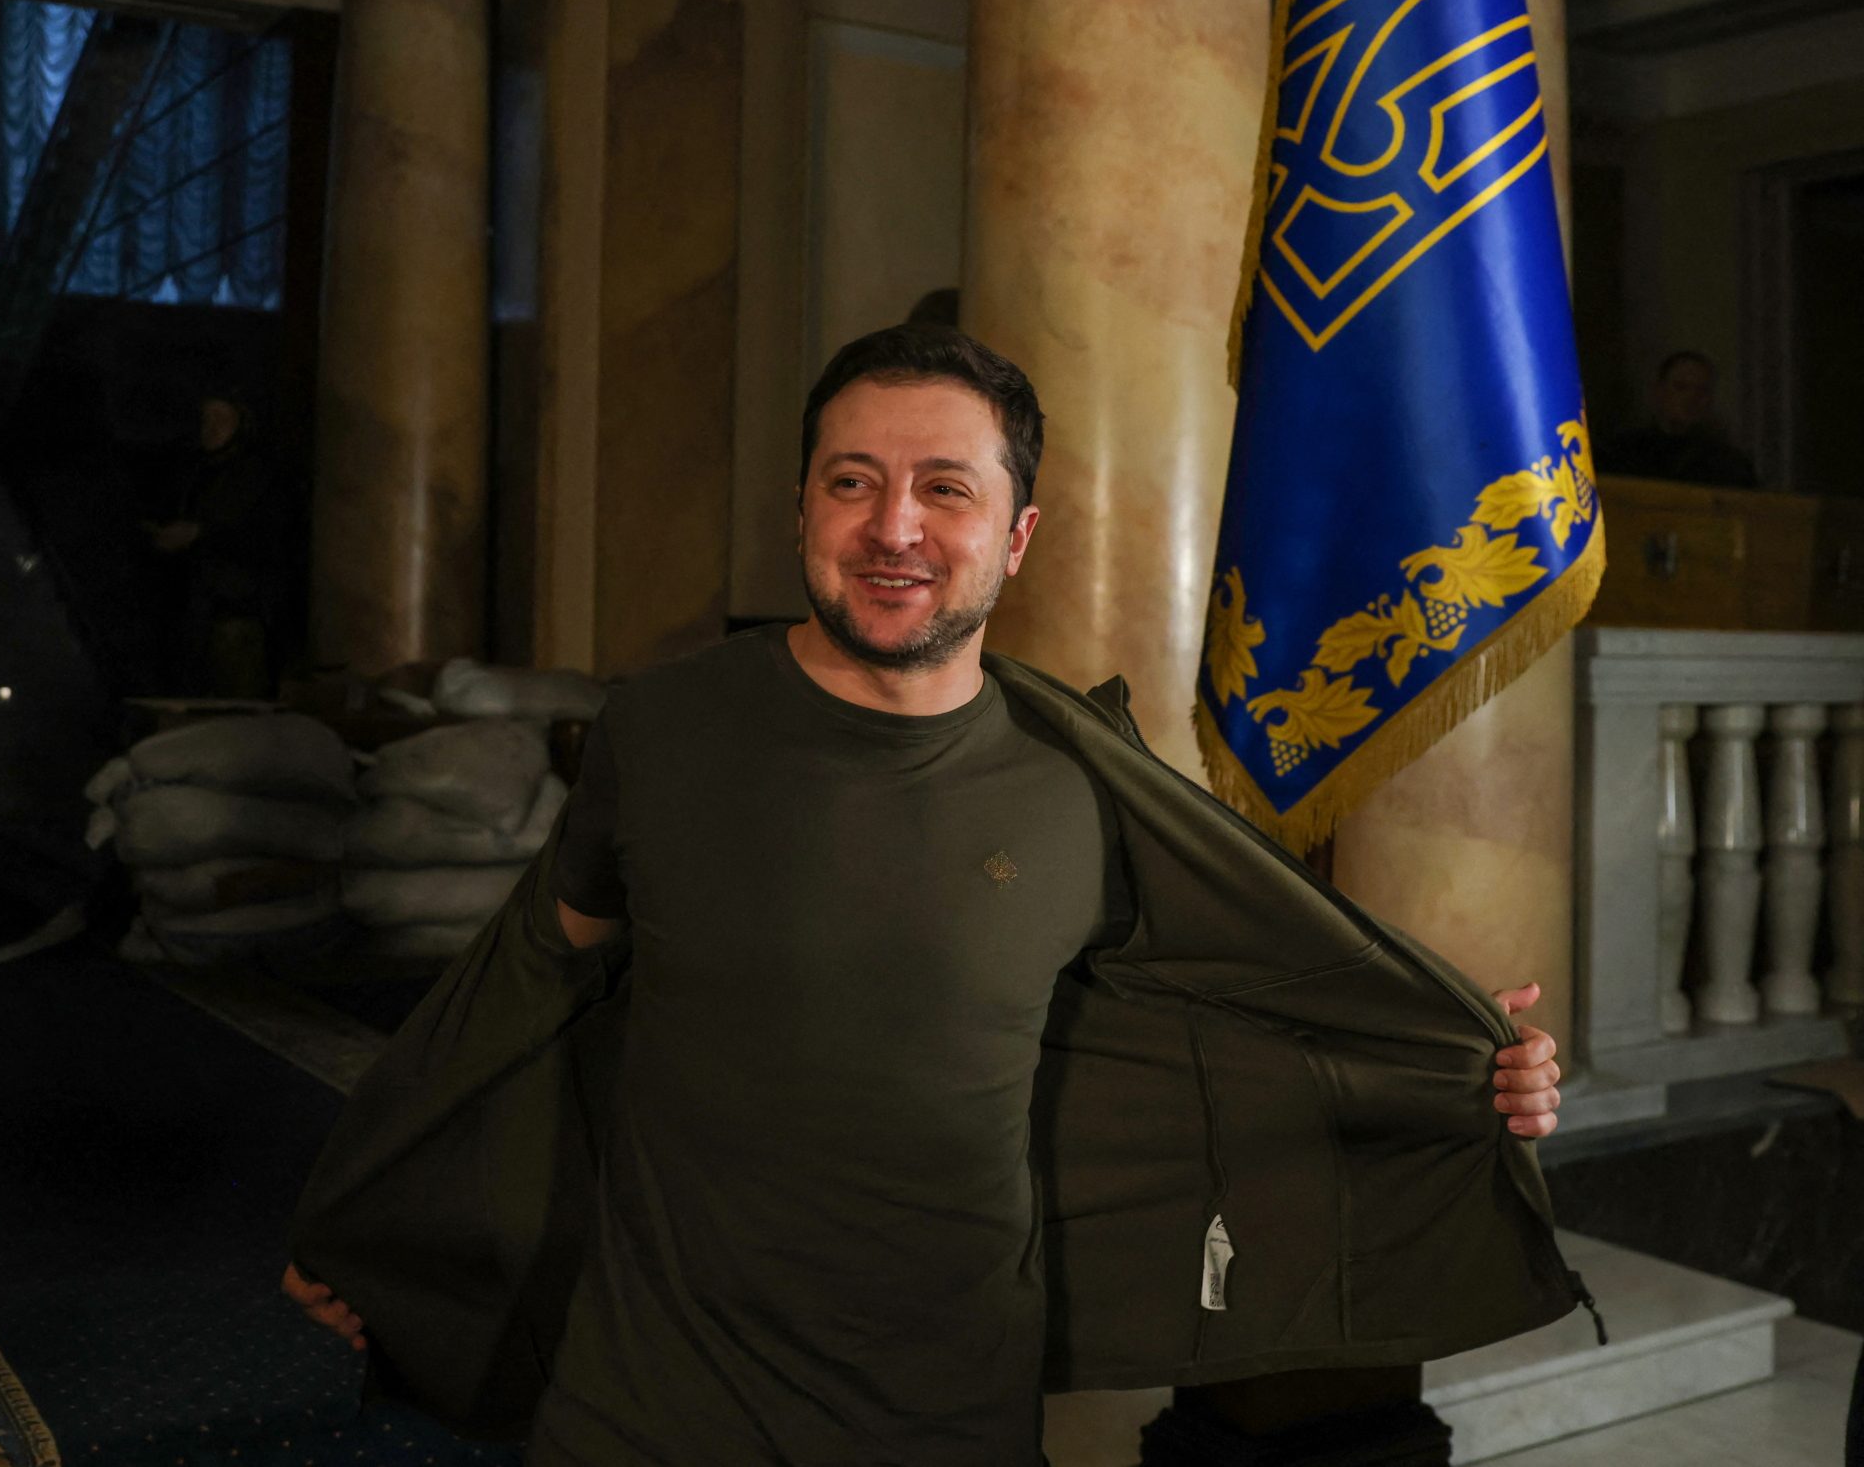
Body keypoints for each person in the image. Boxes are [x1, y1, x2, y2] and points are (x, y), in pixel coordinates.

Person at [281, 325, 1573, 1466]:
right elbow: (525, 981)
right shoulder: (661, 728)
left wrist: (1464, 1069)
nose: (892, 526)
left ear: (1016, 536)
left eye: (944, 488)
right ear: (801, 509)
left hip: (946, 1414)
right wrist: (368, 1207)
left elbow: (1236, 1040)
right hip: (647, 1401)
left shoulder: (1081, 792)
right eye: (852, 481)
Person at [148, 394, 281, 697]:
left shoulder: (258, 474)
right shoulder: (198, 472)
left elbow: (259, 536)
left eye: (221, 419)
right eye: (206, 419)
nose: (210, 428)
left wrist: (200, 533)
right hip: (199, 612)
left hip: (238, 613)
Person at [1598, 349, 1758, 487]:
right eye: (1681, 388)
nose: (1692, 398)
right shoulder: (1622, 454)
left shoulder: (1728, 464)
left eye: (1702, 391)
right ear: (1660, 391)